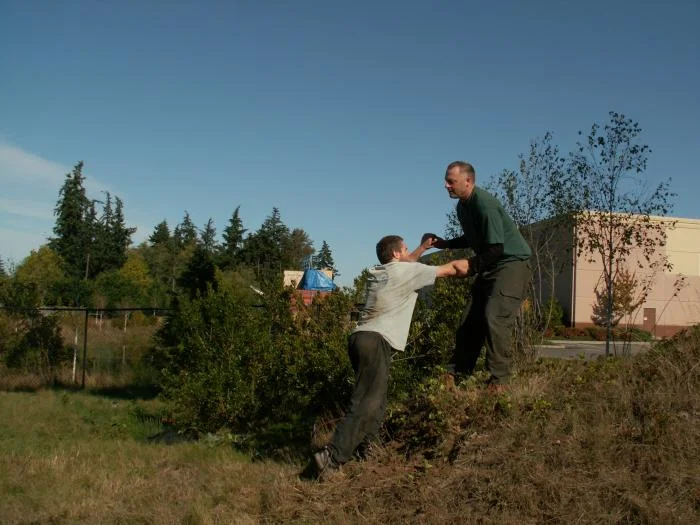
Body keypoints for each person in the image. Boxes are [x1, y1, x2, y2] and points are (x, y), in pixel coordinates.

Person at [313, 234, 469, 480]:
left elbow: (405, 264)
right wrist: (483, 261)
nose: (409, 252)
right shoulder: (407, 272)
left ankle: (369, 451)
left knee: (377, 399)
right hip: (376, 340)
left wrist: (421, 248)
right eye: (405, 249)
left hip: (359, 339)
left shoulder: (379, 272)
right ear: (396, 254)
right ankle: (331, 456)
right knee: (367, 402)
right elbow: (452, 268)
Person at [424, 161, 531, 387]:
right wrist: (446, 244)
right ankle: (456, 375)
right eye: (446, 181)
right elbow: (474, 238)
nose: (446, 186)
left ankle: (499, 382)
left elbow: (497, 248)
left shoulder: (485, 204)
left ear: (468, 181)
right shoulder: (463, 207)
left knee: (494, 316)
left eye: (451, 182)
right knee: (469, 321)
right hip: (491, 264)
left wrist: (471, 265)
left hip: (510, 263)